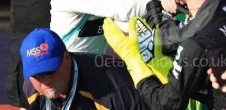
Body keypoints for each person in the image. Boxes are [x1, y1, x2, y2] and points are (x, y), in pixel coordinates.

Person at [20, 28, 149, 109]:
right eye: (37, 74)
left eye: (50, 71)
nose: (44, 80)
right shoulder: (32, 89)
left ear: (66, 58)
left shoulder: (114, 90)